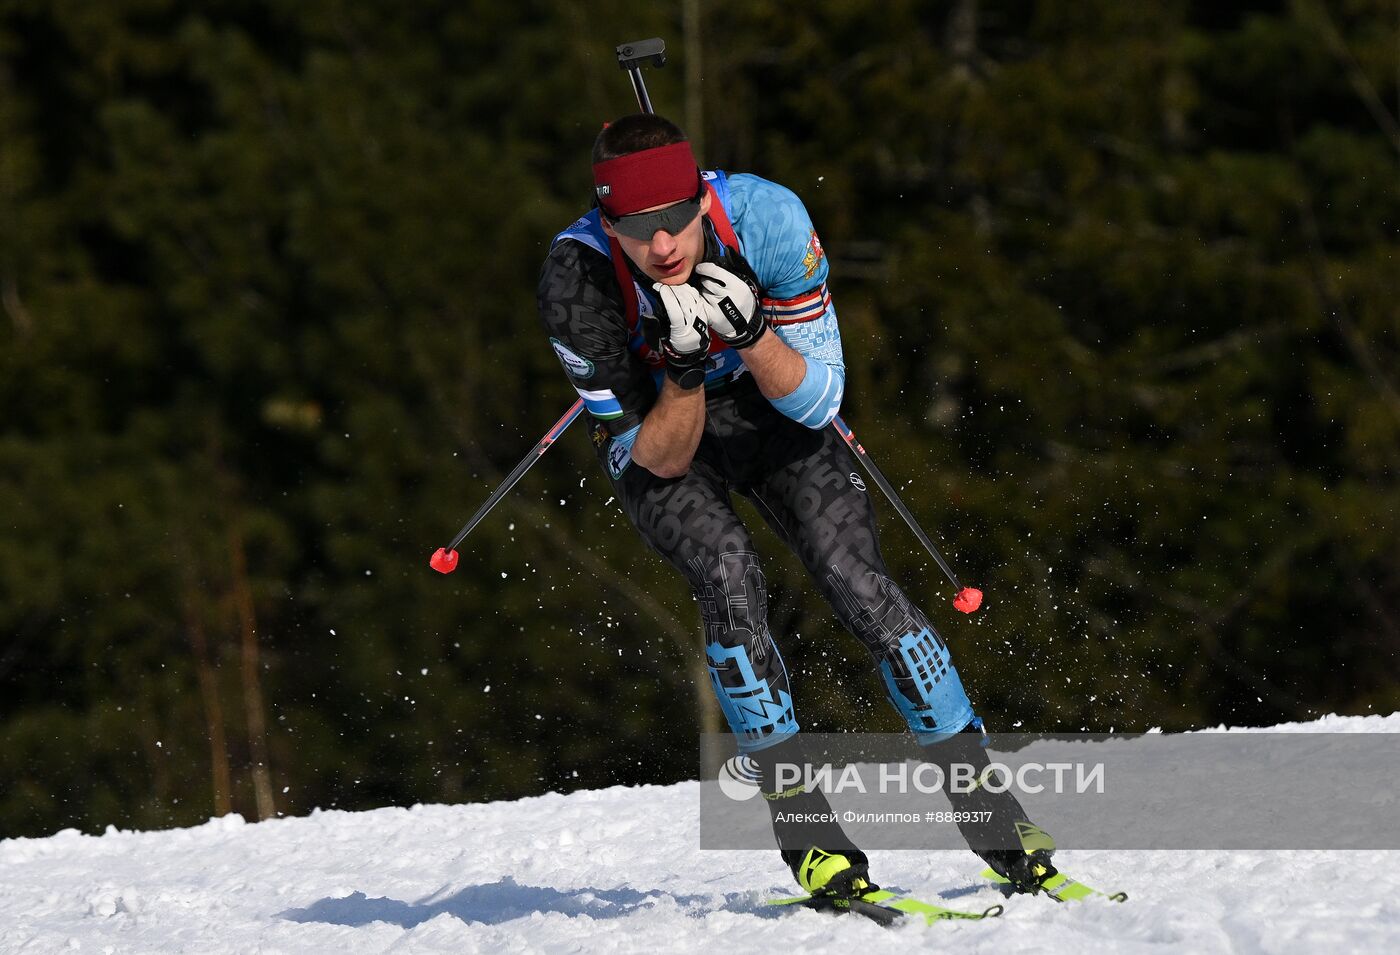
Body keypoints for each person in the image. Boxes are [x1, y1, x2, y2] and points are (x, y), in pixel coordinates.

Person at [536, 113, 1054, 898]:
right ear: (609, 224)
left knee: (856, 579)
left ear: (703, 202)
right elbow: (659, 457)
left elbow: (819, 402)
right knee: (729, 575)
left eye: (677, 219)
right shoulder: (576, 281)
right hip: (665, 431)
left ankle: (993, 813)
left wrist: (747, 333)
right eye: (639, 231)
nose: (665, 245)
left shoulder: (768, 219)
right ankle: (812, 840)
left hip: (773, 406)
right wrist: (680, 370)